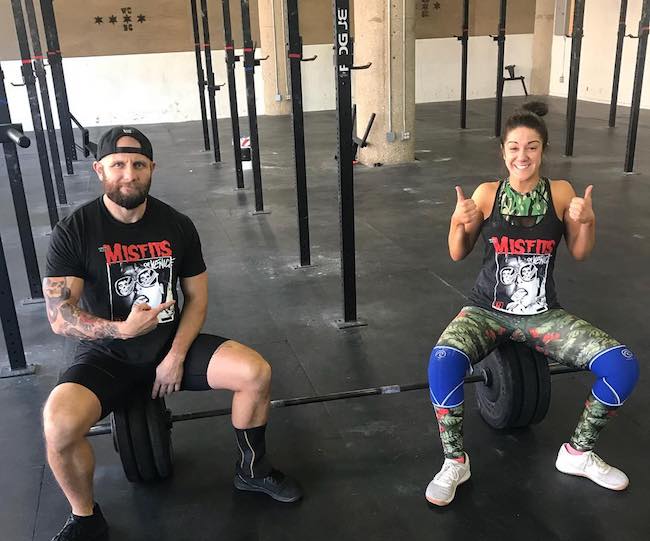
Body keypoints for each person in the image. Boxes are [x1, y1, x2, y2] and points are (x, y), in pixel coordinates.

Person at [42, 127, 302, 541]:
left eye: (138, 164)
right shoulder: (74, 231)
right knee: (58, 425)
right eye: (118, 164)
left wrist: (177, 355)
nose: (129, 174)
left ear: (152, 169)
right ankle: (85, 517)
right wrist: (120, 329)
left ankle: (252, 471)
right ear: (99, 170)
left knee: (255, 373)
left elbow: (196, 298)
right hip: (107, 354)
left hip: (169, 345)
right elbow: (59, 316)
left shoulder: (176, 225)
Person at [424, 102, 640, 506]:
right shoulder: (487, 193)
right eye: (514, 148)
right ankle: (455, 461)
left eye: (532, 147)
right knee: (442, 362)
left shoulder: (560, 192)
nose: (522, 156)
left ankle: (577, 453)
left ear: (543, 150)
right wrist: (457, 221)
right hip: (486, 310)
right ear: (502, 151)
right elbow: (458, 253)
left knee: (622, 364)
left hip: (543, 315)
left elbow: (579, 251)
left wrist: (587, 222)